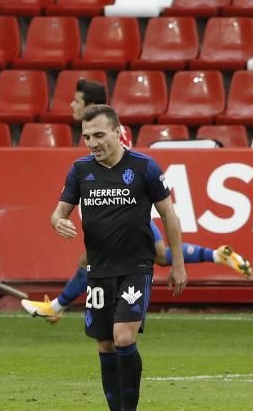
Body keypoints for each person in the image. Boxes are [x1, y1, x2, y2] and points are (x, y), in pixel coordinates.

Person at [21, 79, 253, 323]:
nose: (72, 105)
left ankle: (58, 307)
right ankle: (217, 255)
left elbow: (123, 171)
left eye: (77, 101)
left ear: (92, 106)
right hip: (118, 204)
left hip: (124, 208)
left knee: (147, 256)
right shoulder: (106, 131)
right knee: (155, 255)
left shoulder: (113, 135)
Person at [53, 105, 186, 411]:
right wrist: (58, 221)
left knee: (123, 337)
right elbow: (59, 211)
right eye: (86, 137)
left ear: (117, 131)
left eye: (99, 135)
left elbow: (169, 216)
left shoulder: (144, 167)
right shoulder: (80, 170)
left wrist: (177, 265)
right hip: (98, 270)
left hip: (136, 267)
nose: (92, 143)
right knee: (105, 344)